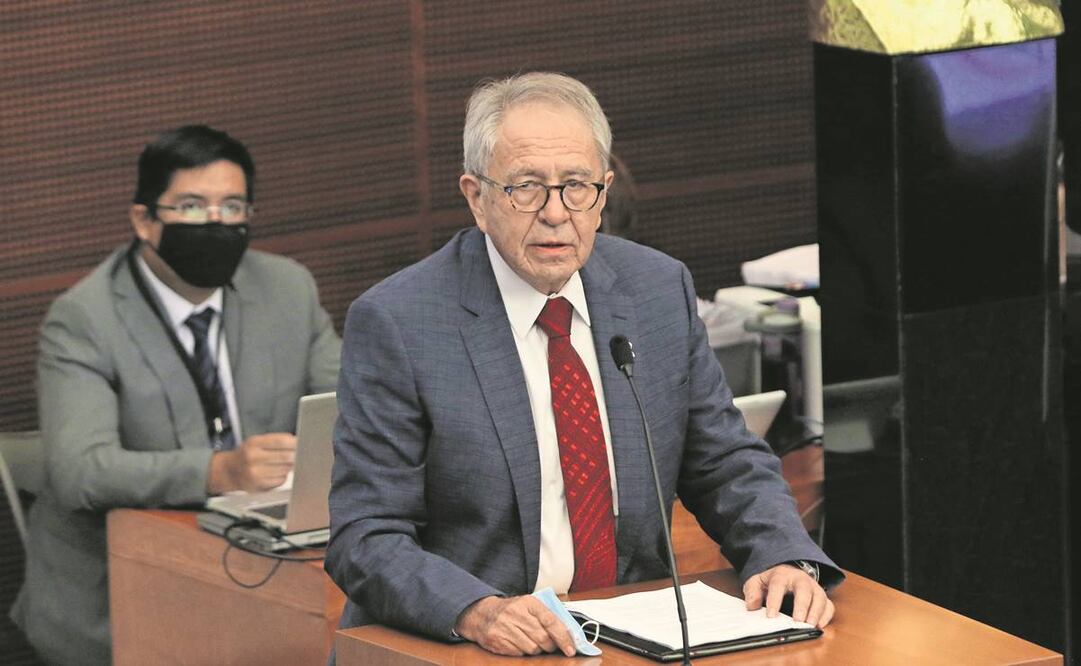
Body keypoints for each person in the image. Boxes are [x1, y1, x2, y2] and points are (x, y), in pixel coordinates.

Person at [327, 72, 841, 658]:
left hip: (625, 634)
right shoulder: (400, 321)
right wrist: (476, 611)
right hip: (468, 647)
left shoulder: (654, 289)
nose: (555, 213)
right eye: (525, 187)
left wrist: (781, 556)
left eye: (577, 186)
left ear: (604, 190)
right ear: (476, 196)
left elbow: (724, 460)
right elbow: (364, 536)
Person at [10, 125, 341, 665]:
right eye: (191, 206)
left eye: (233, 207)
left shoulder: (286, 288)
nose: (216, 223)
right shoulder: (83, 320)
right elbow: (80, 471)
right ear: (144, 220)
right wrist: (217, 472)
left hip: (264, 565)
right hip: (117, 596)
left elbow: (356, 403)